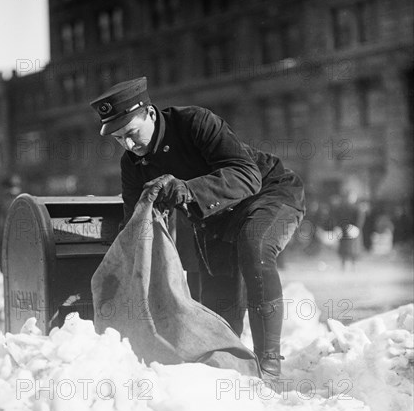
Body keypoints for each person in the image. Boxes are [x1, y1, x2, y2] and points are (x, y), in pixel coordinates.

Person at [90, 77, 305, 383]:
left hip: (270, 193)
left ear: (150, 114)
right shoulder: (132, 165)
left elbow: (247, 175)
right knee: (217, 310)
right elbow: (133, 226)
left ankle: (270, 366)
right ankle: (234, 373)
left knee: (254, 246)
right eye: (118, 139)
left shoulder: (195, 122)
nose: (128, 144)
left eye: (132, 133)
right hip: (214, 219)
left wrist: (187, 190)